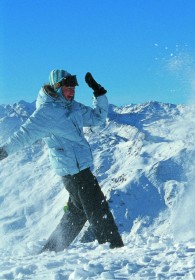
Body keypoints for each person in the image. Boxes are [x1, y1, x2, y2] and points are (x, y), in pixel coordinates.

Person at [0, 69, 124, 252]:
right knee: (98, 209)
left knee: (78, 211)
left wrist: (99, 93)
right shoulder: (46, 112)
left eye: (74, 86)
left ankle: (50, 251)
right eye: (68, 86)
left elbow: (98, 119)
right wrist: (3, 151)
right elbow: (24, 135)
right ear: (57, 87)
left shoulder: (74, 107)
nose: (72, 90)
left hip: (78, 168)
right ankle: (115, 250)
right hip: (74, 171)